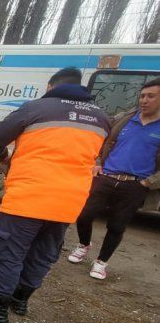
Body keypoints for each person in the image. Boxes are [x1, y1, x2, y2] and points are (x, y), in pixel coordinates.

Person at [0, 67, 110, 323]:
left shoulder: (36, 108)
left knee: (10, 249)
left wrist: (6, 159)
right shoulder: (102, 118)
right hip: (69, 202)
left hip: (29, 196)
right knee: (43, 252)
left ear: (52, 86)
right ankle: (20, 300)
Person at [66, 78, 160, 280]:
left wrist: (148, 182)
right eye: (142, 95)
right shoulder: (125, 119)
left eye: (151, 96)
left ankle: (101, 262)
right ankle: (84, 245)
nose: (144, 100)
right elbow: (103, 140)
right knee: (84, 215)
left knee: (117, 226)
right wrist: (98, 161)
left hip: (135, 185)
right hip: (107, 177)